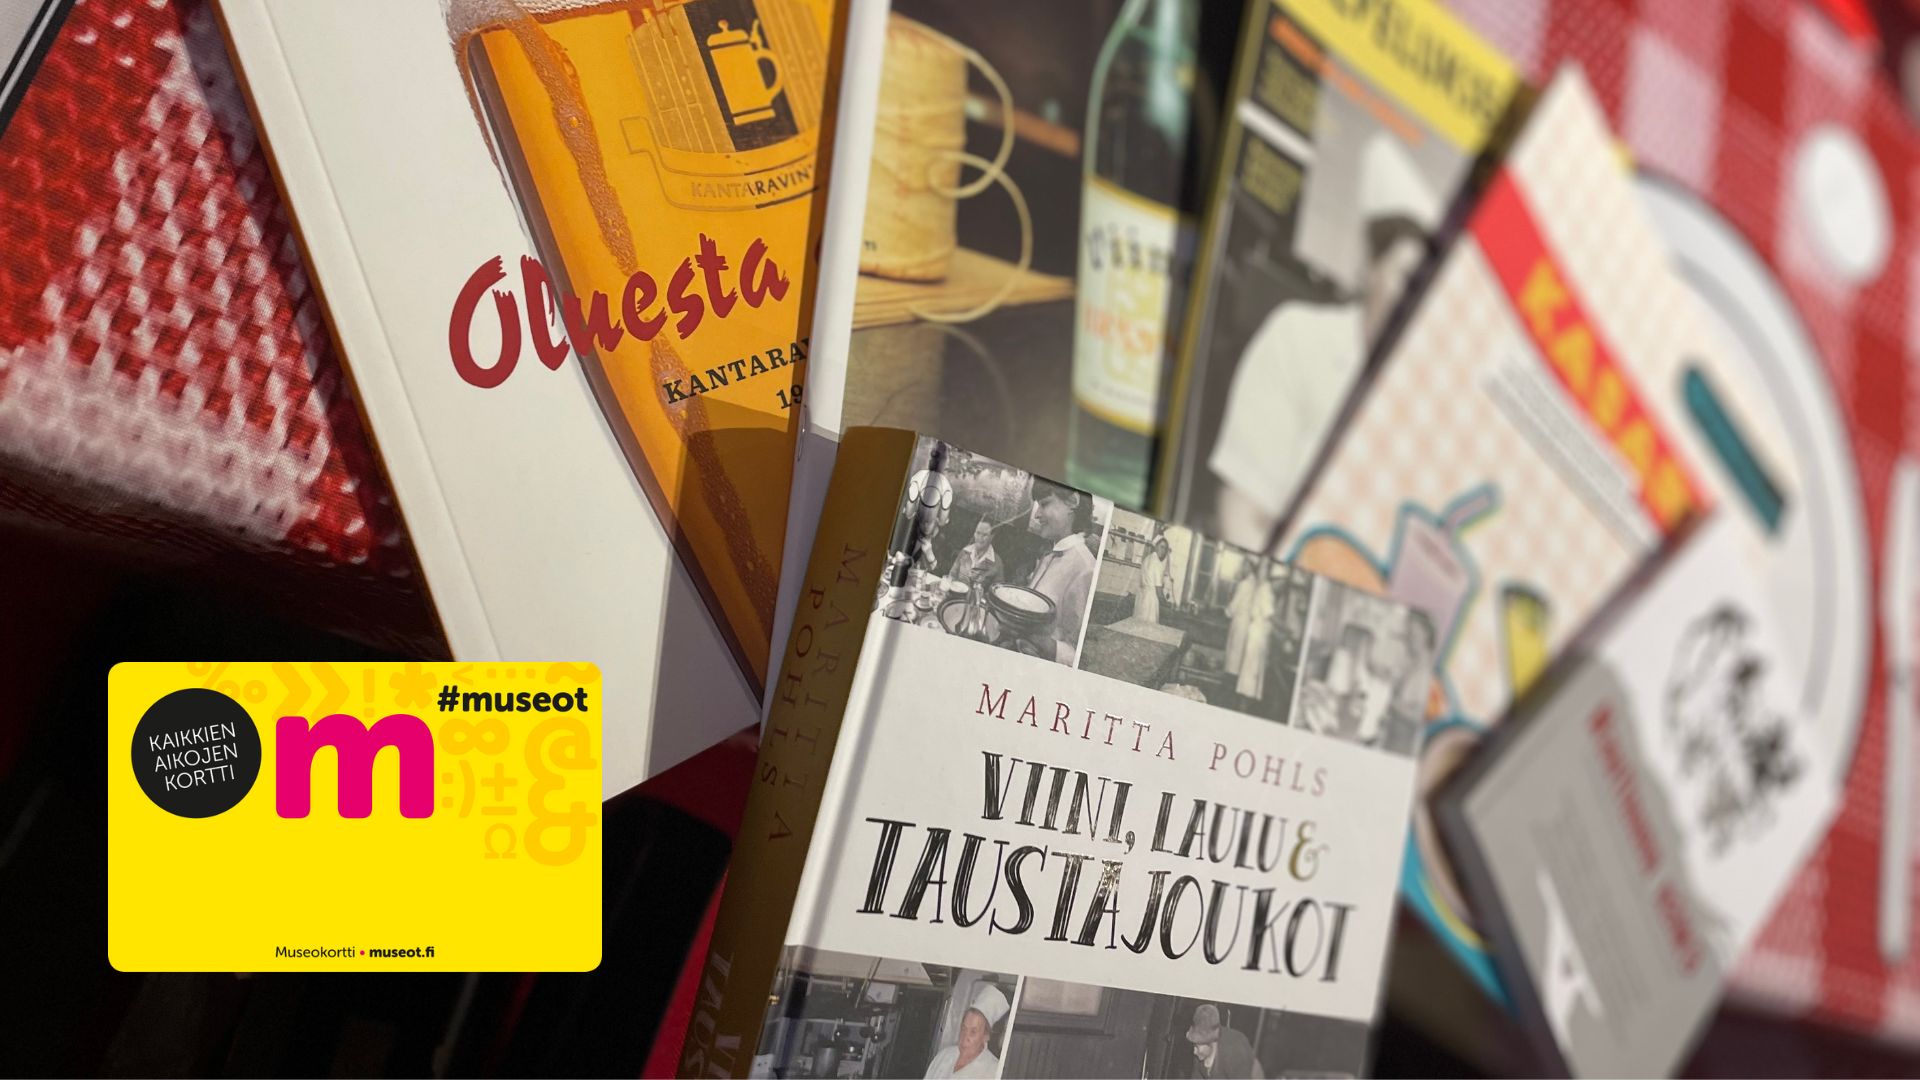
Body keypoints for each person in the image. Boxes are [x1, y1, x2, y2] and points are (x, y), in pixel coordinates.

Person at [1207, 136, 1439, 552]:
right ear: (1370, 267)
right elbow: (1241, 512)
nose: (1414, 305)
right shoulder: (1299, 338)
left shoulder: (1431, 399)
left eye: (1428, 291)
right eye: (1406, 280)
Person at [1023, 477, 1099, 664]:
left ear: (1072, 501)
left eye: (1045, 504)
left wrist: (1039, 641)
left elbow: (1077, 654)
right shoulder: (1049, 555)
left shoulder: (1086, 568)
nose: (1037, 514)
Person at [924, 984, 1009, 1079]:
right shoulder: (943, 1056)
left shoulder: (993, 1071)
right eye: (964, 1029)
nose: (965, 1037)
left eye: (973, 1032)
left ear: (986, 1036)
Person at [1231, 570, 1278, 705]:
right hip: (1256, 636)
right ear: (1275, 580)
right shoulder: (1265, 590)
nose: (1281, 587)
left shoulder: (1268, 590)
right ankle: (1243, 705)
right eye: (1281, 583)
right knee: (1250, 672)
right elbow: (1269, 615)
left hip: (1260, 636)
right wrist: (1284, 629)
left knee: (1253, 674)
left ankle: (1245, 703)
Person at [1185, 1003, 1260, 1079]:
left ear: (1211, 1042)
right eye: (1194, 1045)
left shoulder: (1234, 1052)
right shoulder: (1200, 1053)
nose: (1194, 1051)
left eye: (1197, 1046)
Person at [1223, 564, 1258, 679]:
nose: (1242, 568)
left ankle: (1230, 679)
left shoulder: (1244, 584)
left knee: (1233, 659)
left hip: (1239, 623)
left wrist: (1227, 611)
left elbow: (1234, 606)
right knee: (1240, 659)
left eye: (1244, 565)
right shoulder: (1256, 584)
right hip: (1248, 624)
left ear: (1249, 567)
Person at [948, 516, 1002, 586]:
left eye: (985, 535)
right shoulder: (965, 551)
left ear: (992, 536)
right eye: (978, 533)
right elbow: (952, 575)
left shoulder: (997, 563)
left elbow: (997, 589)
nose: (979, 538)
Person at [1135, 536, 1172, 624]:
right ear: (1155, 546)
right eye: (1161, 547)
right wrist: (1166, 603)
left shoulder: (1147, 559)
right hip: (1150, 600)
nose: (1163, 551)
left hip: (1142, 597)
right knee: (1149, 627)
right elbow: (1158, 590)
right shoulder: (1157, 563)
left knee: (1138, 625)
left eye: (1165, 548)